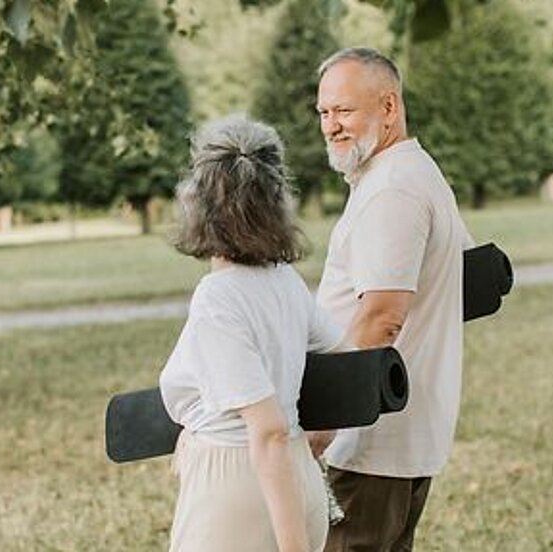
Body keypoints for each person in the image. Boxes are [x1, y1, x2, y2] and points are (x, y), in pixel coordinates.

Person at [309, 47, 473, 550]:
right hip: (395, 433)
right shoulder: (411, 171)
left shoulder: (392, 191)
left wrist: (322, 425)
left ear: (388, 107)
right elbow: (470, 277)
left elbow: (382, 318)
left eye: (344, 110)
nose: (331, 125)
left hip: (369, 439)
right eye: (323, 112)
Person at [160, 115, 346, 552]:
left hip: (240, 493)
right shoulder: (285, 282)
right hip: (297, 478)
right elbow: (347, 358)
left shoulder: (218, 298)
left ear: (197, 200)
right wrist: (324, 432)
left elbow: (268, 430)